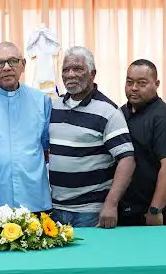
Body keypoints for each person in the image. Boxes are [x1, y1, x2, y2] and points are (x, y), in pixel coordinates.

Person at [49, 46, 135, 228]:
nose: (70, 74)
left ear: (92, 74)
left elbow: (127, 160)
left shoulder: (108, 111)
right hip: (55, 210)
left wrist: (111, 204)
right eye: (65, 70)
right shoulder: (54, 108)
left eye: (78, 69)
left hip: (90, 212)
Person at [0, 42, 52, 213]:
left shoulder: (41, 101)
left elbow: (46, 148)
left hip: (34, 197)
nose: (7, 67)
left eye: (13, 61)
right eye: (0, 63)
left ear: (23, 64)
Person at [119, 59, 166, 226]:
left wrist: (155, 209)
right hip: (124, 209)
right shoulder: (121, 113)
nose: (134, 88)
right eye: (129, 82)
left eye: (142, 83)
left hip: (149, 213)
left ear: (156, 84)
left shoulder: (164, 118)